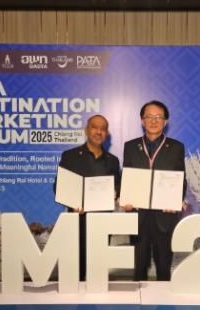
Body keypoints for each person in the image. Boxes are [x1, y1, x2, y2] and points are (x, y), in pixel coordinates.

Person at [122, 100, 186, 281]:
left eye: (158, 117)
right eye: (149, 117)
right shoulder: (130, 146)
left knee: (164, 268)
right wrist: (125, 198)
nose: (154, 121)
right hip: (138, 215)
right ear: (142, 120)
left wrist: (175, 200)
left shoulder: (176, 147)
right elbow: (126, 176)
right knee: (139, 268)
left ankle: (164, 300)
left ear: (165, 121)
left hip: (164, 216)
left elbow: (181, 178)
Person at [56, 114, 120, 281]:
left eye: (103, 129)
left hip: (103, 223)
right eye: (95, 127)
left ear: (107, 134)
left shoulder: (113, 161)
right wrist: (72, 202)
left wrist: (116, 193)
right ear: (86, 130)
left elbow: (118, 187)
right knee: (77, 272)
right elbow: (59, 186)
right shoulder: (70, 156)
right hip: (78, 221)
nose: (99, 132)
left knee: (98, 272)